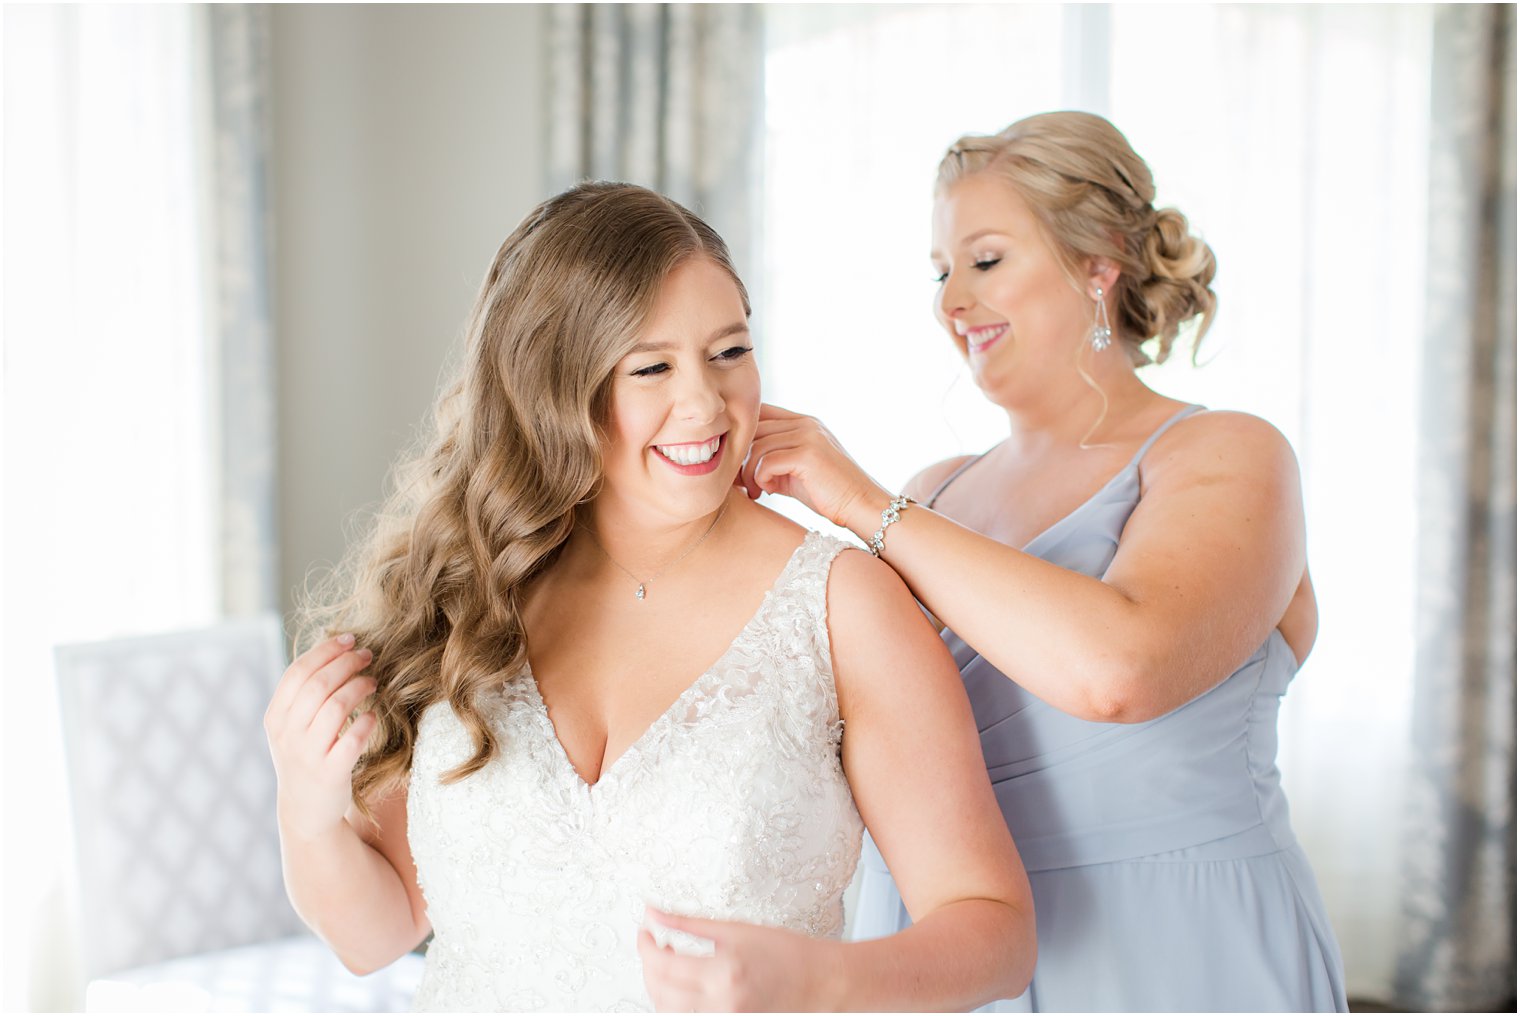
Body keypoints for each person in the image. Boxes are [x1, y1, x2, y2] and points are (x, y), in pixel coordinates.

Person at [263, 182, 1035, 1012]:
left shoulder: (843, 608)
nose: (705, 403)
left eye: (730, 352)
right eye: (653, 367)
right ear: (553, 386)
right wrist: (306, 808)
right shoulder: (469, 593)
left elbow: (994, 930)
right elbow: (374, 932)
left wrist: (820, 982)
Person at [739, 112, 1348, 1012]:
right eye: (942, 272)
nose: (951, 302)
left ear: (1098, 263)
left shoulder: (1226, 453)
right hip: (960, 962)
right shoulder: (937, 493)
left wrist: (861, 504)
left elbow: (1123, 670)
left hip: (1182, 952)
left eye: (985, 261)